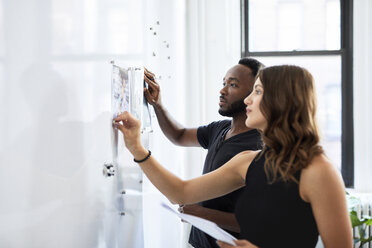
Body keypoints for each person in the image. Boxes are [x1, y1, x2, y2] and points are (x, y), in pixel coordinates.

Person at [114, 65, 353, 248]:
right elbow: (180, 192)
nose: (248, 99)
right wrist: (137, 148)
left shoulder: (319, 171)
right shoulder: (248, 161)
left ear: (281, 102)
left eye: (257, 92)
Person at [143, 58, 264, 248]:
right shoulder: (221, 128)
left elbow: (259, 221)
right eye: (224, 83)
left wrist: (203, 214)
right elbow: (179, 135)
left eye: (233, 85)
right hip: (201, 243)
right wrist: (158, 105)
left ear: (253, 95)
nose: (222, 90)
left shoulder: (258, 147)